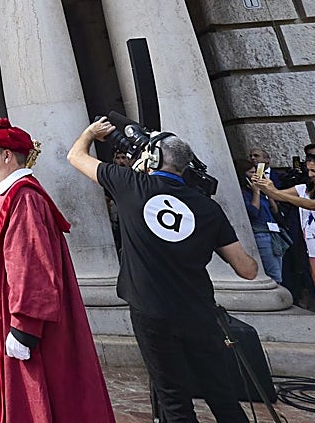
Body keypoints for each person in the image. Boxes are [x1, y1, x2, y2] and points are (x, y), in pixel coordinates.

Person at [69, 118, 256, 423]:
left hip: (152, 312)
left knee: (174, 400)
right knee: (221, 394)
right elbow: (247, 271)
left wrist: (90, 133)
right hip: (198, 312)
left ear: (152, 158)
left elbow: (75, 157)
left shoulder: (131, 185)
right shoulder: (207, 207)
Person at [0, 118, 113, 422]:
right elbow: (9, 253)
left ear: (7, 156)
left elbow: (31, 266)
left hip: (23, 319)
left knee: (37, 394)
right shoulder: (10, 194)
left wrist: (24, 327)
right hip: (8, 311)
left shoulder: (25, 198)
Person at [255, 153, 315, 312]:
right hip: (314, 250)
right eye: (308, 171)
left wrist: (274, 190)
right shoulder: (303, 189)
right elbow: (278, 196)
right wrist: (264, 186)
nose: (311, 175)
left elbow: (312, 205)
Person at [237, 159, 285, 284]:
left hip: (273, 232)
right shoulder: (244, 193)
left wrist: (267, 191)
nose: (255, 175)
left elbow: (274, 210)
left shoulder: (261, 192)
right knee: (274, 273)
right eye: (252, 173)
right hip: (261, 233)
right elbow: (253, 212)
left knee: (278, 270)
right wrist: (256, 192)